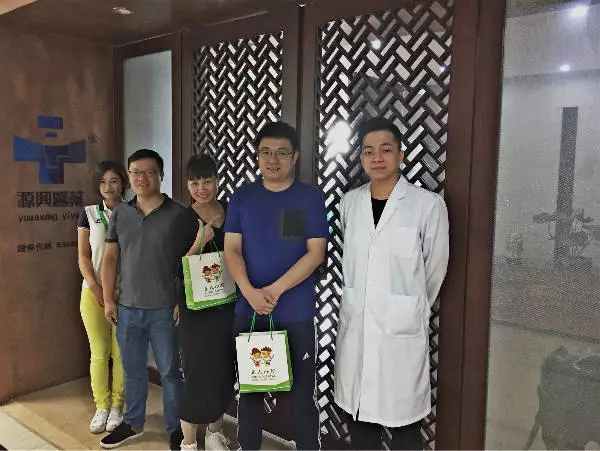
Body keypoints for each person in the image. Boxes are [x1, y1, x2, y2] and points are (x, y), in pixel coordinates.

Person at [333, 117, 449, 450]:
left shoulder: (427, 205)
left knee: (404, 428)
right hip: (357, 327)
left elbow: (435, 268)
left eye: (386, 149)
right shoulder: (349, 203)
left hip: (400, 332)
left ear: (401, 154)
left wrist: (407, 305)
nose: (377, 158)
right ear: (361, 158)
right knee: (360, 423)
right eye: (368, 151)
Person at [224, 121, 328, 450]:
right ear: (257, 156)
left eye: (282, 153)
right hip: (250, 311)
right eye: (265, 152)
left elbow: (316, 253)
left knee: (303, 396)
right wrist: (250, 292)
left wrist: (273, 291)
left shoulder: (310, 198)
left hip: (296, 313)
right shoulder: (243, 197)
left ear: (295, 157)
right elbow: (232, 249)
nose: (273, 159)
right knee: (251, 393)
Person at [99, 149, 196, 450]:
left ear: (160, 175)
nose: (141, 178)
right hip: (127, 308)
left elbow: (191, 260)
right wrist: (108, 299)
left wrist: (182, 299)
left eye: (149, 172)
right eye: (135, 172)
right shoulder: (121, 213)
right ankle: (133, 422)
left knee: (169, 372)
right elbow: (110, 257)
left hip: (165, 309)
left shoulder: (179, 214)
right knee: (133, 370)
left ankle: (176, 428)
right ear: (129, 176)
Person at [178, 154, 236, 450]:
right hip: (196, 311)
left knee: (224, 371)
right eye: (195, 182)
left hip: (228, 305)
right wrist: (199, 242)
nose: (201, 188)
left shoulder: (231, 211)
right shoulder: (182, 218)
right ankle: (188, 442)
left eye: (207, 181)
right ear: (188, 185)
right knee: (197, 374)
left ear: (217, 181)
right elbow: (175, 268)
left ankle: (215, 432)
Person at [77, 161, 127, 434]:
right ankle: (102, 407)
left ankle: (117, 406)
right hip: (92, 293)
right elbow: (84, 257)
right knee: (99, 352)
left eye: (114, 181)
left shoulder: (132, 212)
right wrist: (96, 288)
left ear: (123, 184)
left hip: (125, 295)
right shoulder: (88, 214)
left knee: (121, 353)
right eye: (103, 182)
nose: (109, 187)